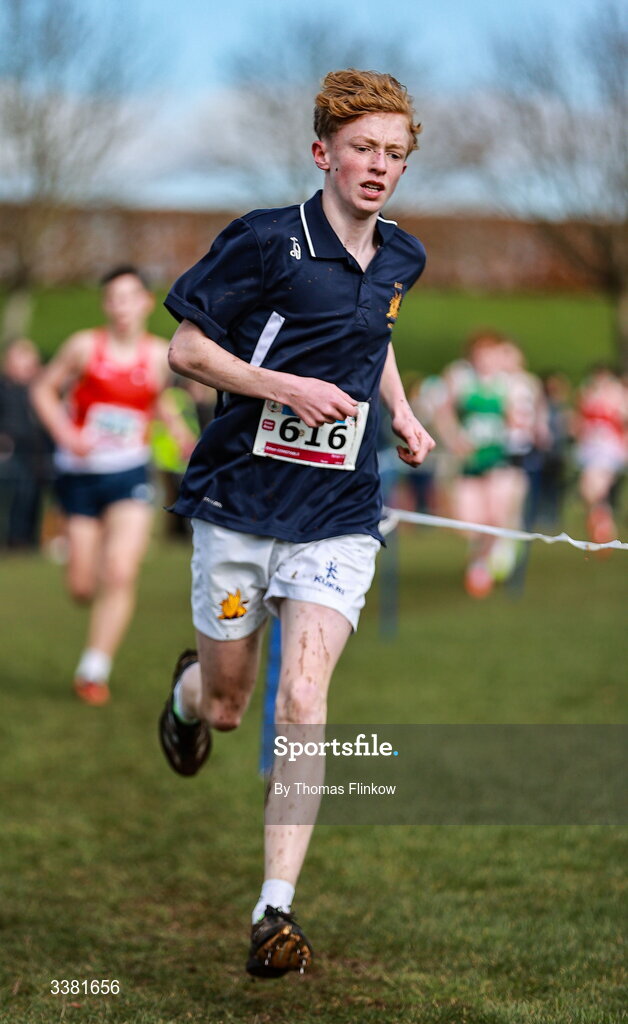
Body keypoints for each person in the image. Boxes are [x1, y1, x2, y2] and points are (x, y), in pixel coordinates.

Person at [157, 68, 435, 978]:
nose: (379, 166)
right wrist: (284, 387)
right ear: (323, 152)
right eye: (364, 148)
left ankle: (273, 911)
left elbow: (373, 335)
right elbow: (186, 349)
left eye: (395, 154)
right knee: (233, 705)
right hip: (240, 504)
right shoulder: (265, 242)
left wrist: (397, 408)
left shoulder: (403, 257)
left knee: (304, 700)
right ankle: (188, 694)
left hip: (337, 513)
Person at [31, 265, 193, 706]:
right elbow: (43, 390)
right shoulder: (85, 347)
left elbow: (155, 398)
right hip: (80, 475)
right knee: (83, 585)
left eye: (130, 297)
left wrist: (176, 429)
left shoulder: (161, 354)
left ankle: (93, 669)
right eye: (113, 298)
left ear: (145, 302)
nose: (122, 307)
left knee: (120, 571)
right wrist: (65, 434)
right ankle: (87, 572)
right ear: (106, 305)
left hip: (129, 472)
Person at [0, 338, 52, 550]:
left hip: (38, 452)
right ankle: (13, 539)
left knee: (33, 495)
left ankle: (29, 540)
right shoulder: (4, 388)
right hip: (10, 453)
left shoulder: (39, 389)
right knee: (15, 496)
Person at [574, 364, 627, 545]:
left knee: (597, 486)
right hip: (590, 448)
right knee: (588, 489)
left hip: (608, 448)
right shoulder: (587, 394)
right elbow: (580, 422)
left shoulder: (618, 395)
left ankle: (603, 524)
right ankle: (602, 520)